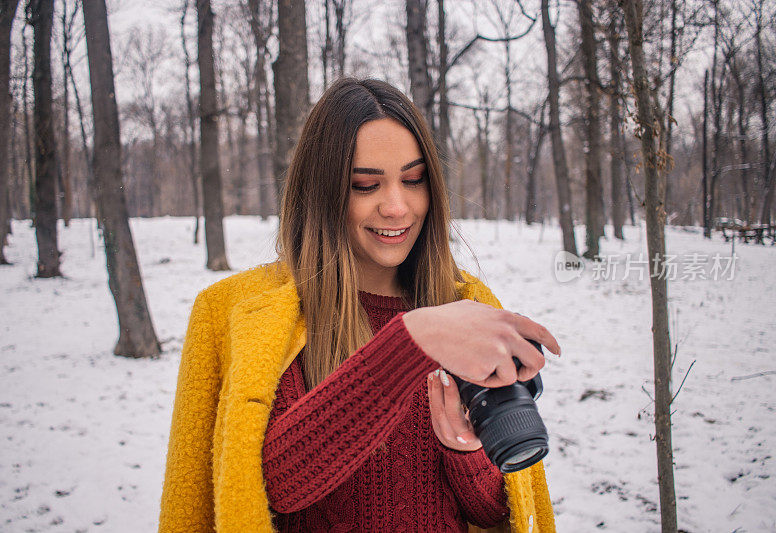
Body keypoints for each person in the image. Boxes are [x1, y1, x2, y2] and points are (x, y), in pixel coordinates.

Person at [158, 78, 560, 533]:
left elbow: (497, 512)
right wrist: (410, 343)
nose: (396, 206)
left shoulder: (465, 305)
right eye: (365, 185)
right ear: (322, 193)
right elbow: (271, 488)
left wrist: (465, 453)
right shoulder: (248, 316)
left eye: (413, 180)